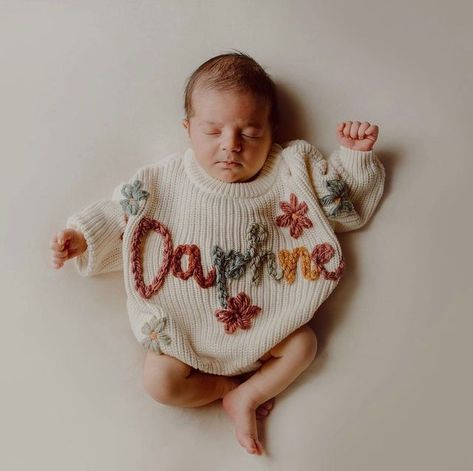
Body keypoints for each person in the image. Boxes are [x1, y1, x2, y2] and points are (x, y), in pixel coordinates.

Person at [49, 51, 385, 455]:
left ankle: (249, 395)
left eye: (250, 132)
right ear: (188, 129)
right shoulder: (164, 181)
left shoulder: (292, 170)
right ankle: (225, 389)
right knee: (160, 383)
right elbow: (123, 215)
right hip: (184, 329)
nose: (231, 146)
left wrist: (355, 157)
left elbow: (344, 210)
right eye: (213, 131)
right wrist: (83, 236)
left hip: (269, 325)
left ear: (272, 130)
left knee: (304, 346)